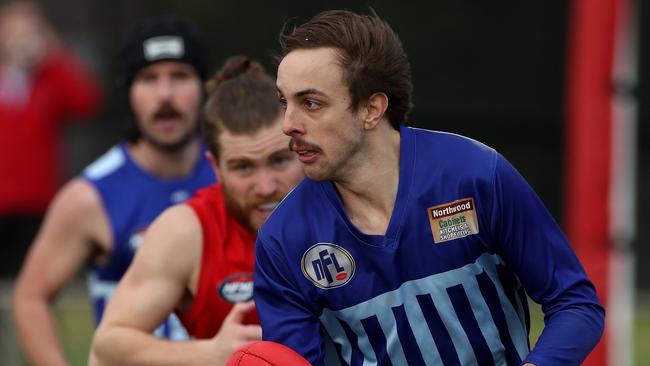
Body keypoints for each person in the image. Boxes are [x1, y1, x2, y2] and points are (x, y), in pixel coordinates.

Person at [253, 9, 605, 366]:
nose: (288, 124)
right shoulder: (283, 240)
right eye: (285, 102)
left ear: (371, 109)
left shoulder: (475, 175)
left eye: (311, 103)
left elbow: (575, 304)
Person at [12, 16, 216, 366]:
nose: (165, 94)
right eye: (149, 79)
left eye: (180, 77)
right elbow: (30, 299)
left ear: (204, 87)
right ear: (130, 94)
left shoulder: (237, 175)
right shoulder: (91, 196)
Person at [90, 55, 304, 365]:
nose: (266, 185)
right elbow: (108, 345)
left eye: (279, 161)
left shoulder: (343, 206)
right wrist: (209, 353)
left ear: (301, 148)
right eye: (243, 167)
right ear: (215, 168)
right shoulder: (187, 230)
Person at [0, 0, 103, 277]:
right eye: (14, 31)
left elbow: (87, 101)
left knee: (30, 282)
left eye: (29, 32)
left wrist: (53, 54)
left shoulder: (49, 79)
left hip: (37, 203)